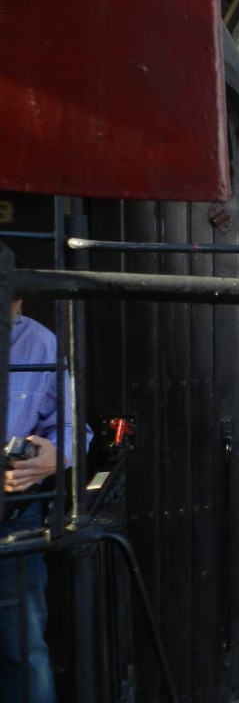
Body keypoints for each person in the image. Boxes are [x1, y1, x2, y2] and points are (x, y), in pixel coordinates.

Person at [2, 300, 92, 702]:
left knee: (24, 648)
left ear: (17, 299)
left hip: (13, 515)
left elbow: (74, 427)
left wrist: (55, 457)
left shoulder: (39, 343)